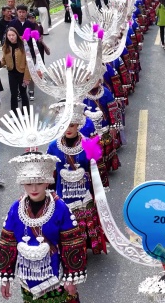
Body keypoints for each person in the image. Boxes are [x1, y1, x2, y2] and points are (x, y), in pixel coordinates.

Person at [0, 152, 86, 302]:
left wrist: (71, 277)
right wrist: (5, 277)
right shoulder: (16, 208)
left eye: (39, 182)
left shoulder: (60, 207)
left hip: (56, 276)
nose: (34, 188)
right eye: (29, 183)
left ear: (47, 182)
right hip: (28, 279)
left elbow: (72, 243)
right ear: (22, 183)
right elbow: (7, 242)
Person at [46, 103, 108, 255]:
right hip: (62, 193)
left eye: (72, 125)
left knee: (84, 223)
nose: (68, 129)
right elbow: (50, 173)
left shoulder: (88, 143)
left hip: (84, 194)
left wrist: (98, 193)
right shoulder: (53, 146)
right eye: (65, 125)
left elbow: (96, 170)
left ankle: (82, 247)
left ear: (78, 125)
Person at [0, 27, 31, 112]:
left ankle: (25, 112)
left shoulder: (23, 45)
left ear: (16, 35)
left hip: (22, 73)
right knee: (13, 94)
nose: (11, 37)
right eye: (9, 35)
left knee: (23, 93)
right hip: (11, 73)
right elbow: (3, 60)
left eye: (13, 35)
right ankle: (14, 113)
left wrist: (27, 77)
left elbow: (28, 62)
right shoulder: (5, 46)